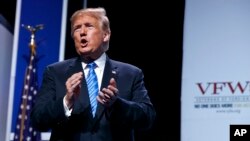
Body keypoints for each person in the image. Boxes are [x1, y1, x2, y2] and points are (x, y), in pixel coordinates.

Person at [30, 7, 156, 141]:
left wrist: (117, 104)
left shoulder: (131, 74)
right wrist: (66, 101)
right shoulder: (55, 72)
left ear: (105, 35)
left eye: (89, 26)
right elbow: (38, 120)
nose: (82, 32)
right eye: (77, 28)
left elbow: (147, 118)